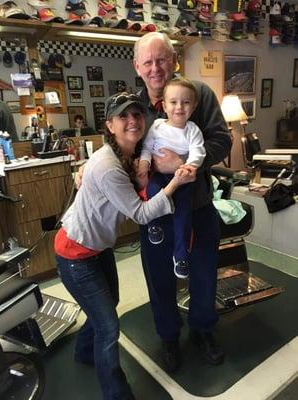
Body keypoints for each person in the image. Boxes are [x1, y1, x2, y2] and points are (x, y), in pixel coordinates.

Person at [54, 92, 195, 400]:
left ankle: (83, 351)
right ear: (110, 125)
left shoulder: (129, 155)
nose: (132, 121)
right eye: (123, 116)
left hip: (97, 248)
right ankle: (117, 395)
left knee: (109, 302)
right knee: (109, 328)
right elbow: (140, 213)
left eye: (136, 114)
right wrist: (175, 183)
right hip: (75, 253)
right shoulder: (108, 165)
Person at [133, 32, 232, 371]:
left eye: (161, 59)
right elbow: (118, 148)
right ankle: (169, 337)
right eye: (147, 61)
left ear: (173, 59)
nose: (155, 68)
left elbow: (222, 139)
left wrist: (188, 163)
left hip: (198, 206)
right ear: (137, 66)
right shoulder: (133, 107)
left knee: (204, 273)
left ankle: (203, 330)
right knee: (159, 278)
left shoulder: (199, 94)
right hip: (155, 211)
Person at [138, 77, 206, 279]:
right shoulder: (157, 126)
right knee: (152, 192)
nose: (179, 107)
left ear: (193, 107)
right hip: (160, 177)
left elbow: (198, 151)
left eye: (186, 103)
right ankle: (154, 225)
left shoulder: (192, 130)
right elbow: (147, 148)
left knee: (183, 217)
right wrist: (144, 163)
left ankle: (181, 255)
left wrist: (189, 166)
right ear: (164, 105)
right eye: (174, 102)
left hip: (183, 180)